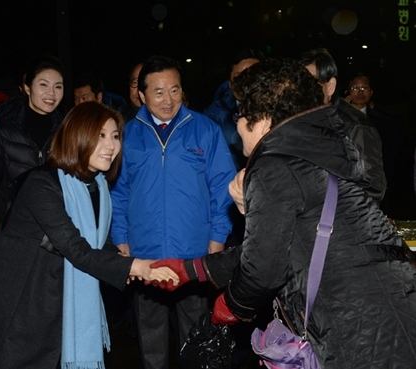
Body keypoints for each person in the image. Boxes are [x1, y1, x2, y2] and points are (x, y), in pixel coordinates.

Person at [152, 57, 416, 368]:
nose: (237, 124)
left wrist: (230, 305)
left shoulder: (275, 167)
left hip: (355, 325)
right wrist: (193, 269)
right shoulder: (317, 152)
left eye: (241, 113)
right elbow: (282, 243)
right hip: (391, 305)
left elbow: (264, 266)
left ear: (263, 118)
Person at [0, 101, 178, 369]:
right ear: (78, 135)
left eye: (114, 136)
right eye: (100, 135)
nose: (110, 146)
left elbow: (101, 244)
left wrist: (135, 265)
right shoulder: (42, 184)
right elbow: (77, 248)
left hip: (60, 298)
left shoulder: (97, 185)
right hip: (24, 298)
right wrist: (135, 267)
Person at [110, 55, 235, 369]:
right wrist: (120, 236)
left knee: (193, 337)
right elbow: (118, 191)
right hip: (145, 255)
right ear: (141, 95)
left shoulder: (205, 130)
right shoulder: (126, 135)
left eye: (175, 90)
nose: (168, 100)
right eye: (159, 92)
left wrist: (217, 238)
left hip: (192, 255)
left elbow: (223, 188)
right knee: (149, 337)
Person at [0, 56, 67, 225]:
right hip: (14, 233)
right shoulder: (3, 134)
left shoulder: (67, 133)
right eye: (43, 84)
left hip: (56, 232)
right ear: (27, 87)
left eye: (58, 87)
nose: (51, 93)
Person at [300, 48, 386, 204]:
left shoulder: (356, 126)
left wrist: (333, 217)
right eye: (300, 83)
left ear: (330, 86)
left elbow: (372, 187)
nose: (303, 90)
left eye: (312, 83)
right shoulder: (299, 120)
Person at [346, 73, 403, 214]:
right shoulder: (337, 119)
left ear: (371, 93)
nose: (360, 92)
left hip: (376, 186)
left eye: (364, 88)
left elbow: (391, 154)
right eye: (355, 88)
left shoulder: (384, 121)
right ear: (347, 92)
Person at [203, 49, 263, 171]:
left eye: (253, 75)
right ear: (230, 83)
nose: (246, 83)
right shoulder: (212, 119)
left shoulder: (283, 109)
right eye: (239, 77)